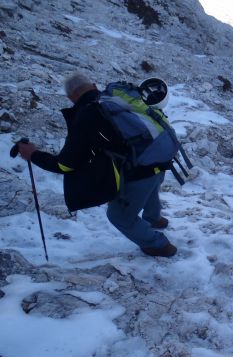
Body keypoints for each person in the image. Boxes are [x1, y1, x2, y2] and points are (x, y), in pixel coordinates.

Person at [16, 72, 177, 257]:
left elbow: (65, 165)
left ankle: (158, 245)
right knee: (150, 186)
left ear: (70, 97)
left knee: (119, 216)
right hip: (161, 157)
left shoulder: (88, 115)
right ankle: (155, 219)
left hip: (140, 170)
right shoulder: (116, 97)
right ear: (93, 84)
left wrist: (33, 155)